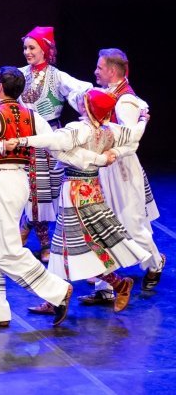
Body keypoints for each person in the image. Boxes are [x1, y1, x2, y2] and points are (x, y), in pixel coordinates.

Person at [14, 88, 150, 313]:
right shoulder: (109, 131)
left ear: (89, 108)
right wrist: (139, 124)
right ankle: (67, 295)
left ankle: (110, 285)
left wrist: (23, 139)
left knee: (78, 246)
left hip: (76, 192)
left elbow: (54, 141)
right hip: (91, 188)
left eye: (85, 101)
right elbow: (134, 138)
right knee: (71, 247)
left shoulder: (80, 129)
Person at [0, 67, 73, 327]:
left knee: (4, 251)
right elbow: (53, 142)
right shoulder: (32, 117)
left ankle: (57, 290)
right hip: (19, 180)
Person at [84, 48, 164, 304]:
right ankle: (104, 287)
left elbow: (131, 140)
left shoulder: (125, 101)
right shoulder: (111, 94)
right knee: (100, 225)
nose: (96, 71)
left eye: (100, 67)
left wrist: (111, 152)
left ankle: (155, 261)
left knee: (131, 223)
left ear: (112, 70)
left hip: (121, 168)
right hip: (106, 166)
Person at [18, 26, 91, 262]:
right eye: (26, 48)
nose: (27, 52)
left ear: (45, 50)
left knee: (52, 192)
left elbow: (84, 89)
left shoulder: (57, 76)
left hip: (52, 138)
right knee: (35, 193)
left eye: (32, 48)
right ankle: (44, 243)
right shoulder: (20, 75)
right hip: (28, 139)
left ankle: (28, 225)